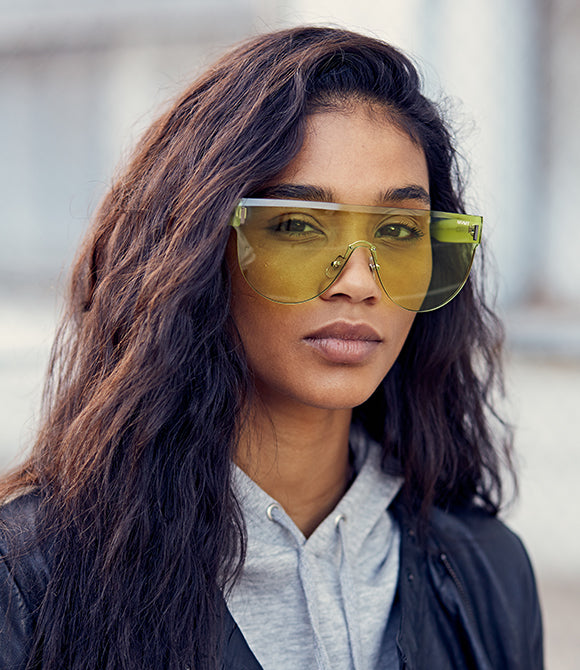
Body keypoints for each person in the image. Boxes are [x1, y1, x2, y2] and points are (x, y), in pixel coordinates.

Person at [0, 25, 543, 670]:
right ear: (197, 253)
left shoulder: (486, 573)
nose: (360, 282)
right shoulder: (32, 577)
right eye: (296, 225)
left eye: (399, 229)